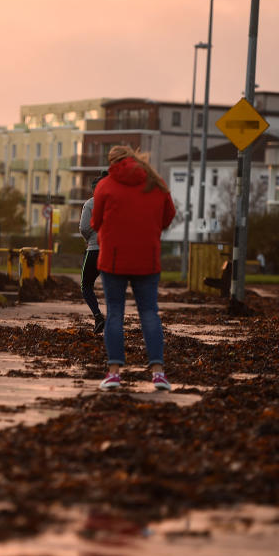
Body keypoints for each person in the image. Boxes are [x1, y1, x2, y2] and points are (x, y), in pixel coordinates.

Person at [91, 145, 176, 392]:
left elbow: (95, 222)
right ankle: (158, 374)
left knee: (115, 313)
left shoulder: (105, 186)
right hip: (147, 259)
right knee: (149, 312)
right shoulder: (155, 182)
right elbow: (168, 216)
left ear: (112, 162)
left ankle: (114, 374)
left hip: (114, 259)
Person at [79, 173, 107, 334]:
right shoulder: (115, 203)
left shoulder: (90, 204)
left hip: (94, 249)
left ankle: (98, 316)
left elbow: (83, 228)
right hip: (111, 251)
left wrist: (89, 238)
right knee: (112, 286)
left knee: (86, 284)